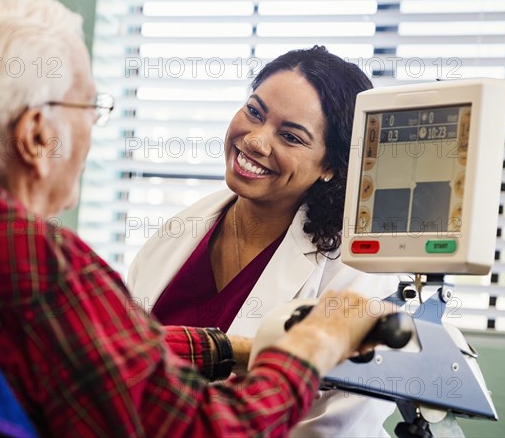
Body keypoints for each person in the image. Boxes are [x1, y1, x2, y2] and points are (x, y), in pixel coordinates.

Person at [0, 0, 392, 438]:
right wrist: (309, 346)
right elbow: (202, 429)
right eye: (90, 106)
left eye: (292, 136)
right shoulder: (31, 255)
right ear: (36, 137)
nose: (255, 140)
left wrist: (234, 350)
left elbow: (97, 352)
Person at [128, 47, 399, 437]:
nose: (255, 141)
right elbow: (125, 363)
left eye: (290, 136)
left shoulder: (359, 272)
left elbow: (329, 427)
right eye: (255, 112)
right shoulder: (181, 231)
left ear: (331, 166)